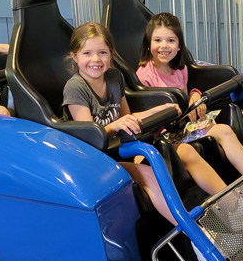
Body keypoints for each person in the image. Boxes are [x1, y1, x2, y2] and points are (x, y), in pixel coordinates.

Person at [63, 22, 227, 225]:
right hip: (100, 159)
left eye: (102, 52)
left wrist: (157, 110)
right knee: (149, 174)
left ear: (111, 53)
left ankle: (232, 205)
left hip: (124, 147)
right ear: (75, 56)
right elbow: (91, 139)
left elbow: (128, 117)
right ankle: (194, 235)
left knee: (186, 152)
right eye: (87, 53)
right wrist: (115, 126)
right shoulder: (75, 88)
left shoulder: (114, 77)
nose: (95, 59)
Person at [136, 12, 243, 176]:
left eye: (171, 40)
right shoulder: (145, 75)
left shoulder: (179, 69)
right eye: (157, 40)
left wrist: (195, 95)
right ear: (148, 44)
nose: (164, 46)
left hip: (189, 122)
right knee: (223, 131)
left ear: (180, 45)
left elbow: (185, 95)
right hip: (169, 134)